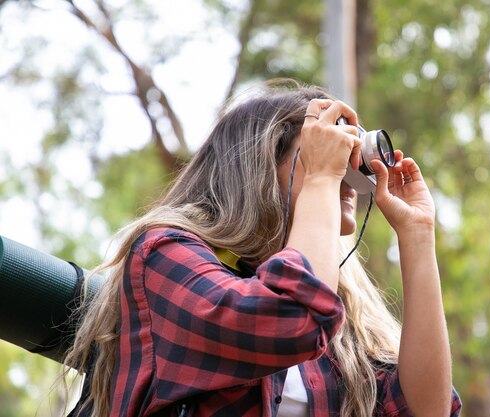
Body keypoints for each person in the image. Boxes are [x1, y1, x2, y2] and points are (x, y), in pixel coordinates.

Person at [64, 79, 462, 417]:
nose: (344, 173)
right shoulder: (165, 256)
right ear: (258, 170)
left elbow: (427, 408)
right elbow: (288, 317)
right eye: (323, 153)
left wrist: (417, 235)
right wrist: (323, 176)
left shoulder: (339, 319)